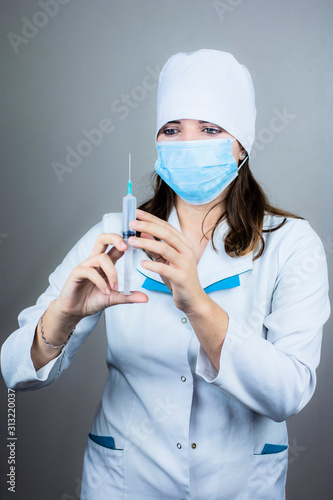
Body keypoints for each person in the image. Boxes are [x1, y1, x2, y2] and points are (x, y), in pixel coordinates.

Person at [1, 49, 330, 500]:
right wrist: (62, 316)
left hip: (239, 487)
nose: (188, 143)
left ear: (242, 144)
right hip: (124, 484)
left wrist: (198, 303)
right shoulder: (114, 236)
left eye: (210, 129)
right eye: (172, 130)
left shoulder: (292, 243)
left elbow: (288, 393)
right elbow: (16, 371)